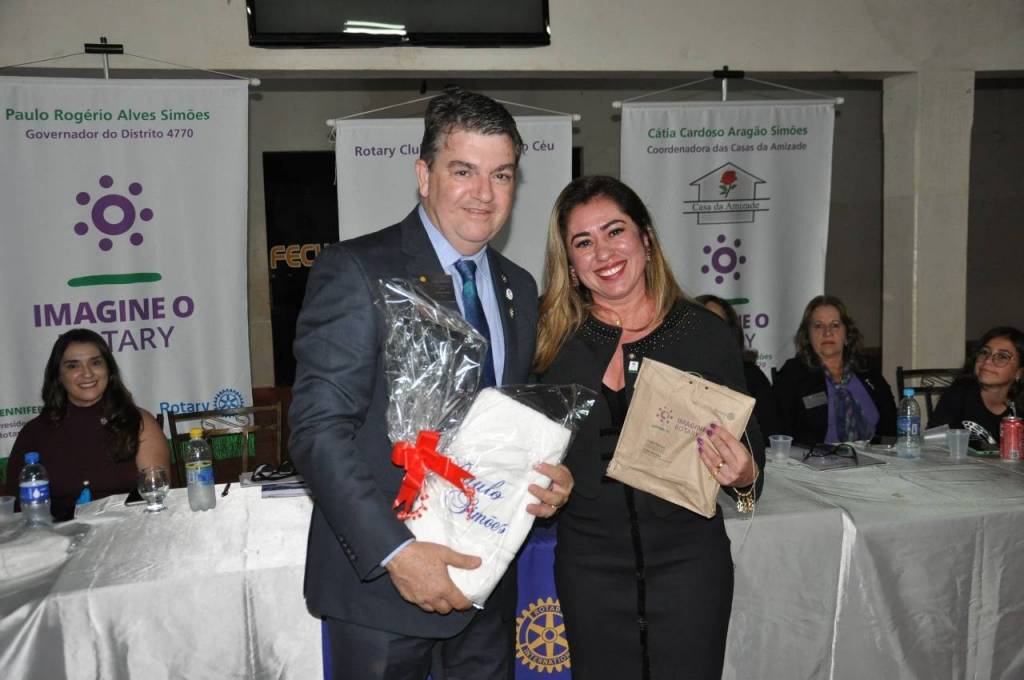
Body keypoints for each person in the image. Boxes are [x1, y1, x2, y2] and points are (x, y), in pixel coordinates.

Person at [288, 88, 573, 680]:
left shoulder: (519, 287)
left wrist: (546, 476)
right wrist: (397, 552)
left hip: (484, 588)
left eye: (501, 175)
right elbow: (318, 431)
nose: (484, 193)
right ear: (424, 176)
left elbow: (507, 423)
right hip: (382, 595)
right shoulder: (358, 270)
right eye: (463, 171)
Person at [533, 175, 764, 679]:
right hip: (590, 570)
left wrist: (744, 474)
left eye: (615, 231)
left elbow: (751, 457)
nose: (603, 253)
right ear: (569, 265)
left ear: (646, 238)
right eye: (583, 242)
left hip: (690, 568)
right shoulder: (549, 344)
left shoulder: (703, 334)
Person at [3, 328, 170, 521]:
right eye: (73, 366)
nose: (87, 373)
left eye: (96, 362)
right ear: (58, 376)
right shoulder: (35, 432)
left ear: (109, 369)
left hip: (128, 531)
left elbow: (156, 495)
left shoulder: (139, 422)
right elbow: (18, 509)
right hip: (57, 535)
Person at [773, 295, 896, 445]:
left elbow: (891, 421)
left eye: (835, 325)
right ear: (807, 335)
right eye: (818, 326)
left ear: (847, 333)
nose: (827, 332)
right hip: (815, 457)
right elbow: (779, 430)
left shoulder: (866, 367)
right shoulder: (794, 373)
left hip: (874, 455)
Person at [697, 293, 783, 438]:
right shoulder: (676, 373)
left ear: (730, 332)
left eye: (716, 323)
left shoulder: (751, 375)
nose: (709, 330)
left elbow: (770, 433)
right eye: (702, 322)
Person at [928, 326, 1024, 441]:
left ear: (1019, 372)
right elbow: (933, 443)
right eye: (984, 352)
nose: (987, 361)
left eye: (1002, 356)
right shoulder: (957, 395)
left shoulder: (1018, 406)